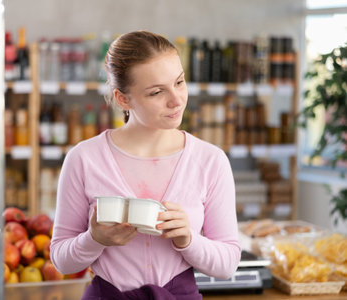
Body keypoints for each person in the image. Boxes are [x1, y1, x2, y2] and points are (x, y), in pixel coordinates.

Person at [50, 30, 241, 299]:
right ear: (122, 99)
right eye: (156, 92)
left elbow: (228, 264)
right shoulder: (84, 159)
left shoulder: (210, 161)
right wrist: (94, 239)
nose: (176, 100)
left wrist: (188, 240)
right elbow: (61, 259)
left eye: (179, 82)